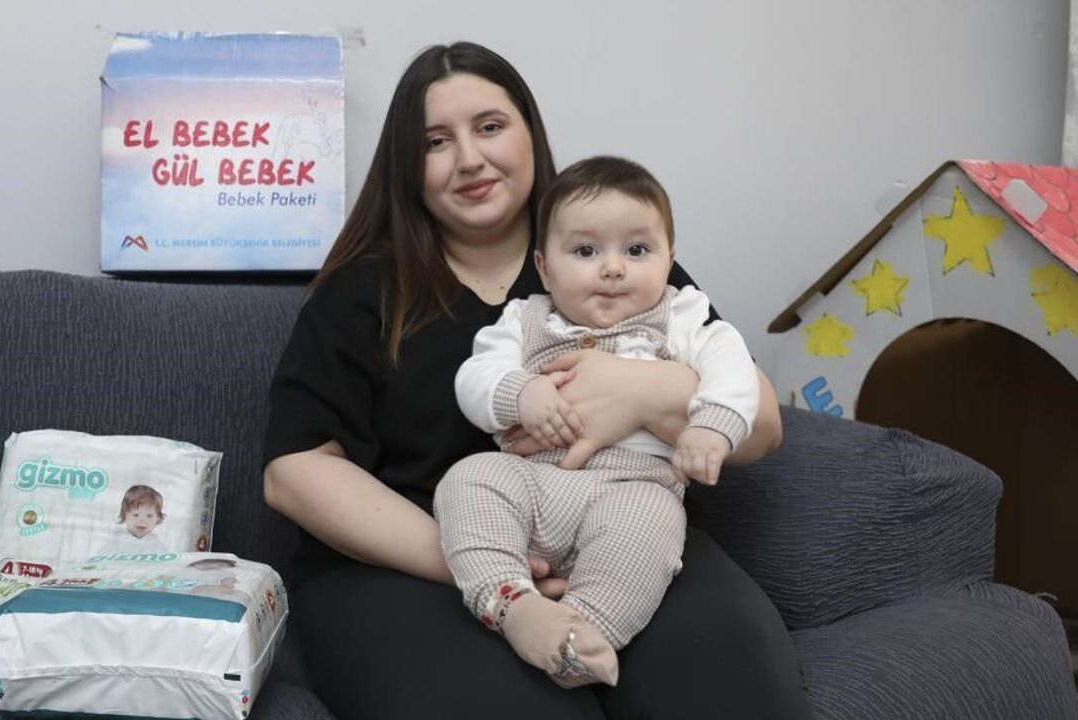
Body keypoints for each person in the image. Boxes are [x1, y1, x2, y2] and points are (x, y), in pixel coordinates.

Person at [263, 41, 813, 719]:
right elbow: (294, 472)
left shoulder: (616, 259)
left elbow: (761, 427)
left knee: (733, 684)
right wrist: (478, 562)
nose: (470, 158)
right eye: (436, 141)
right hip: (410, 561)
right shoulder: (363, 292)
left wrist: (639, 392)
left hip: (624, 522)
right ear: (407, 163)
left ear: (530, 132)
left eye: (490, 126)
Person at [434, 155, 760, 689]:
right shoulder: (524, 318)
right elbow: (475, 377)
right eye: (586, 251)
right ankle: (510, 602)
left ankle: (578, 639)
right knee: (469, 479)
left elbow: (733, 367)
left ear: (669, 260)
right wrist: (521, 392)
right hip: (536, 482)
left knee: (650, 534)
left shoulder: (681, 316)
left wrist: (711, 425)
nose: (612, 268)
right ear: (544, 268)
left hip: (635, 488)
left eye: (637, 251)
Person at [100, 484, 169, 554]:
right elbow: (103, 554)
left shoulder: (155, 542)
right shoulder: (117, 538)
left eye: (149, 516)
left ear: (157, 518)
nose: (142, 521)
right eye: (136, 515)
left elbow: (164, 558)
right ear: (124, 515)